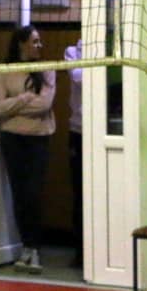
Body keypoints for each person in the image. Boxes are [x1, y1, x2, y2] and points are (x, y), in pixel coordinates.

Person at [0, 25, 56, 274]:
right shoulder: (4, 70)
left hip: (38, 138)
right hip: (12, 138)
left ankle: (35, 248)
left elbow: (44, 105)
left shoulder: (47, 69)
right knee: (19, 194)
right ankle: (25, 248)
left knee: (33, 193)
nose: (39, 46)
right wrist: (25, 98)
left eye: (40, 41)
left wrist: (14, 104)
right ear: (21, 44)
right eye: (34, 41)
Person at [64, 39, 83, 267]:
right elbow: (80, 77)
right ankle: (81, 253)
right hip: (78, 132)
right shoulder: (72, 50)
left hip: (101, 129)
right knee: (80, 194)